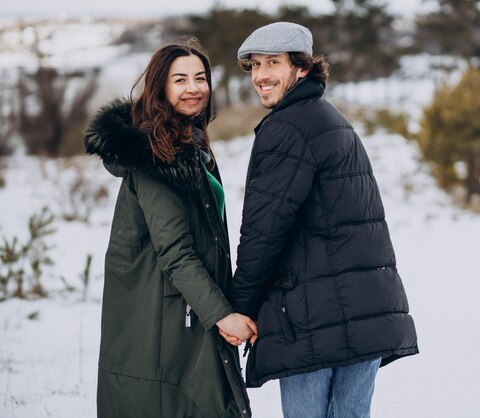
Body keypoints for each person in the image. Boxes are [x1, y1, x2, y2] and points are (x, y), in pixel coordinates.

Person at [225, 22, 419, 418]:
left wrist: (239, 308)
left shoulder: (287, 128)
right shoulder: (330, 119)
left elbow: (263, 231)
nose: (261, 75)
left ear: (301, 68)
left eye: (273, 63)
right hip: (363, 311)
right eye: (256, 65)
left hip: (311, 319)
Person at [83, 40, 257, 418]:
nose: (194, 87)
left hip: (188, 306)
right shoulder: (157, 154)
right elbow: (175, 251)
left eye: (200, 78)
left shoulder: (190, 143)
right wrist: (222, 314)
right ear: (161, 88)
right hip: (163, 316)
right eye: (180, 80)